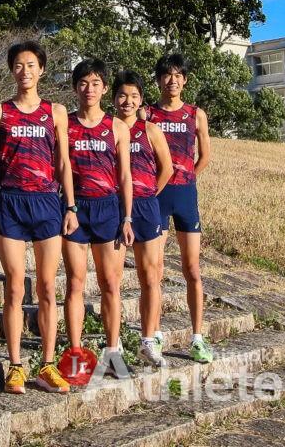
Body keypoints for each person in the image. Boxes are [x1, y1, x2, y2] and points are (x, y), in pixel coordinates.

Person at [0, 41, 77, 394]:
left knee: (48, 287)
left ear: (42, 70)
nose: (25, 71)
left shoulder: (56, 112)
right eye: (19, 65)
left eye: (32, 65)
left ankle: (48, 364)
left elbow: (64, 163)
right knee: (15, 287)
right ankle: (16, 365)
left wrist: (70, 206)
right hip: (10, 203)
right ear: (12, 70)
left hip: (46, 204)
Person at [62, 58, 134, 380]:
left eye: (95, 83)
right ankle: (75, 352)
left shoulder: (117, 127)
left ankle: (112, 351)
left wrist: (128, 217)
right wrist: (69, 207)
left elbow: (125, 177)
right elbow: (59, 168)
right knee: (75, 283)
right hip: (76, 211)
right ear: (75, 87)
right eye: (82, 83)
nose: (88, 89)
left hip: (108, 210)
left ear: (104, 88)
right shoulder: (65, 123)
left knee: (110, 284)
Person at [147, 53, 213, 363]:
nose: (172, 81)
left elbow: (205, 156)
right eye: (166, 75)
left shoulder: (195, 114)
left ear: (184, 80)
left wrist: (186, 178)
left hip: (186, 195)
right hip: (156, 197)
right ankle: (155, 333)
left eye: (177, 75)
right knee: (155, 271)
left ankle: (197, 338)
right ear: (159, 80)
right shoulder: (148, 114)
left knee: (192, 270)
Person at [112, 71, 173, 367]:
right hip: (113, 208)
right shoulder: (106, 129)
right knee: (113, 280)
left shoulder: (150, 130)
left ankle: (149, 340)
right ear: (113, 98)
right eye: (123, 95)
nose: (128, 101)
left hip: (146, 207)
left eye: (134, 96)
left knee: (150, 276)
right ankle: (115, 341)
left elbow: (167, 169)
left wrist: (147, 194)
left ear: (141, 100)